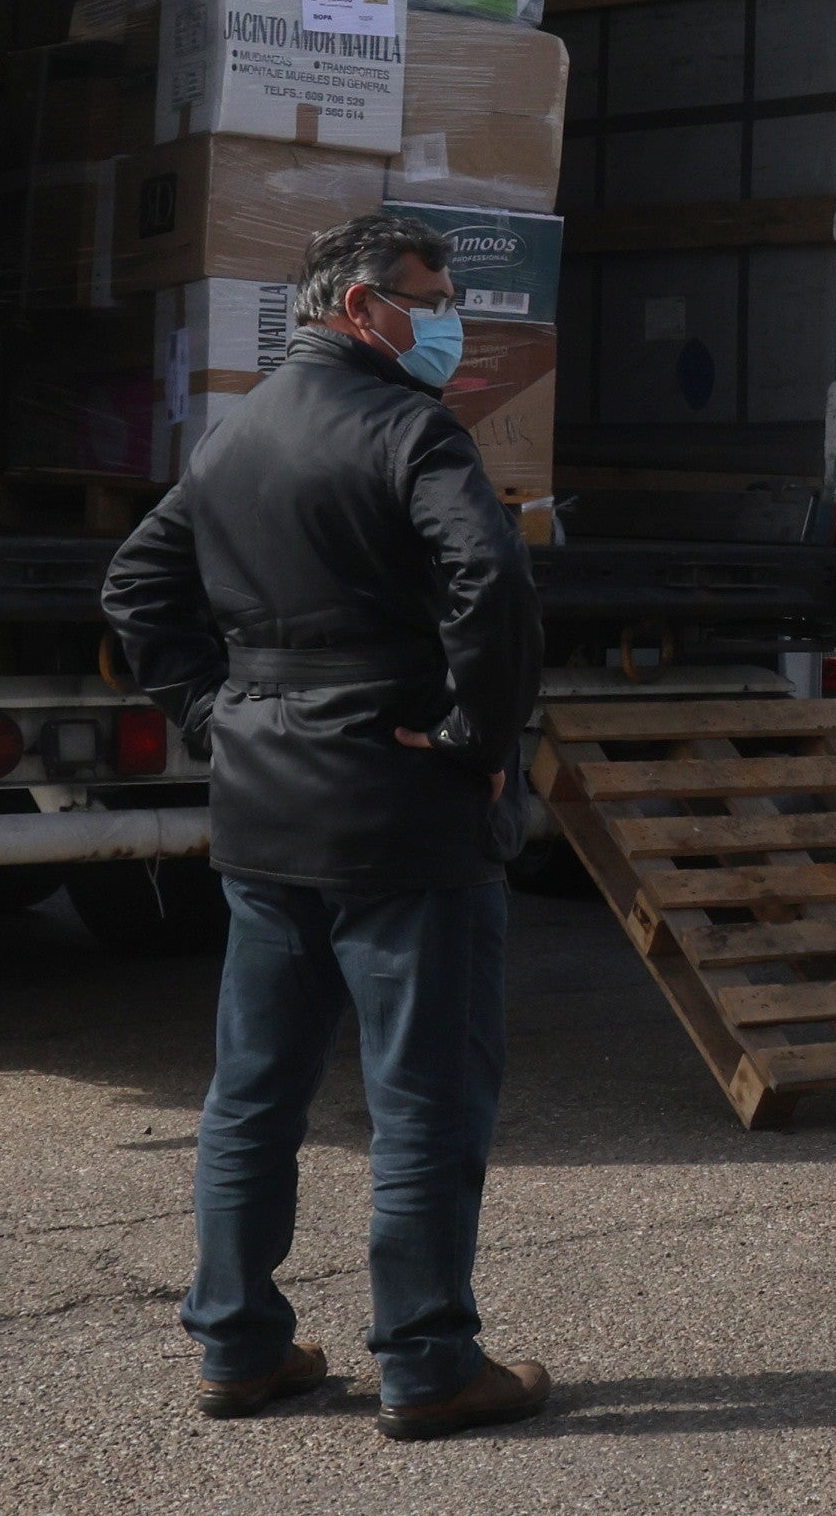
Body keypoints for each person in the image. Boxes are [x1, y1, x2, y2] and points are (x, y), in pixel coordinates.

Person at [105, 212, 553, 1439]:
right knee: (424, 1102)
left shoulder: (234, 434)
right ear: (361, 309)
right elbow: (493, 579)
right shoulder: (411, 430)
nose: (454, 316)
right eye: (435, 294)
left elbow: (136, 586)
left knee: (253, 1095)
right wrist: (477, 735)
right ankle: (426, 1360)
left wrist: (214, 708)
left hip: (263, 811)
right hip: (400, 816)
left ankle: (238, 1344)